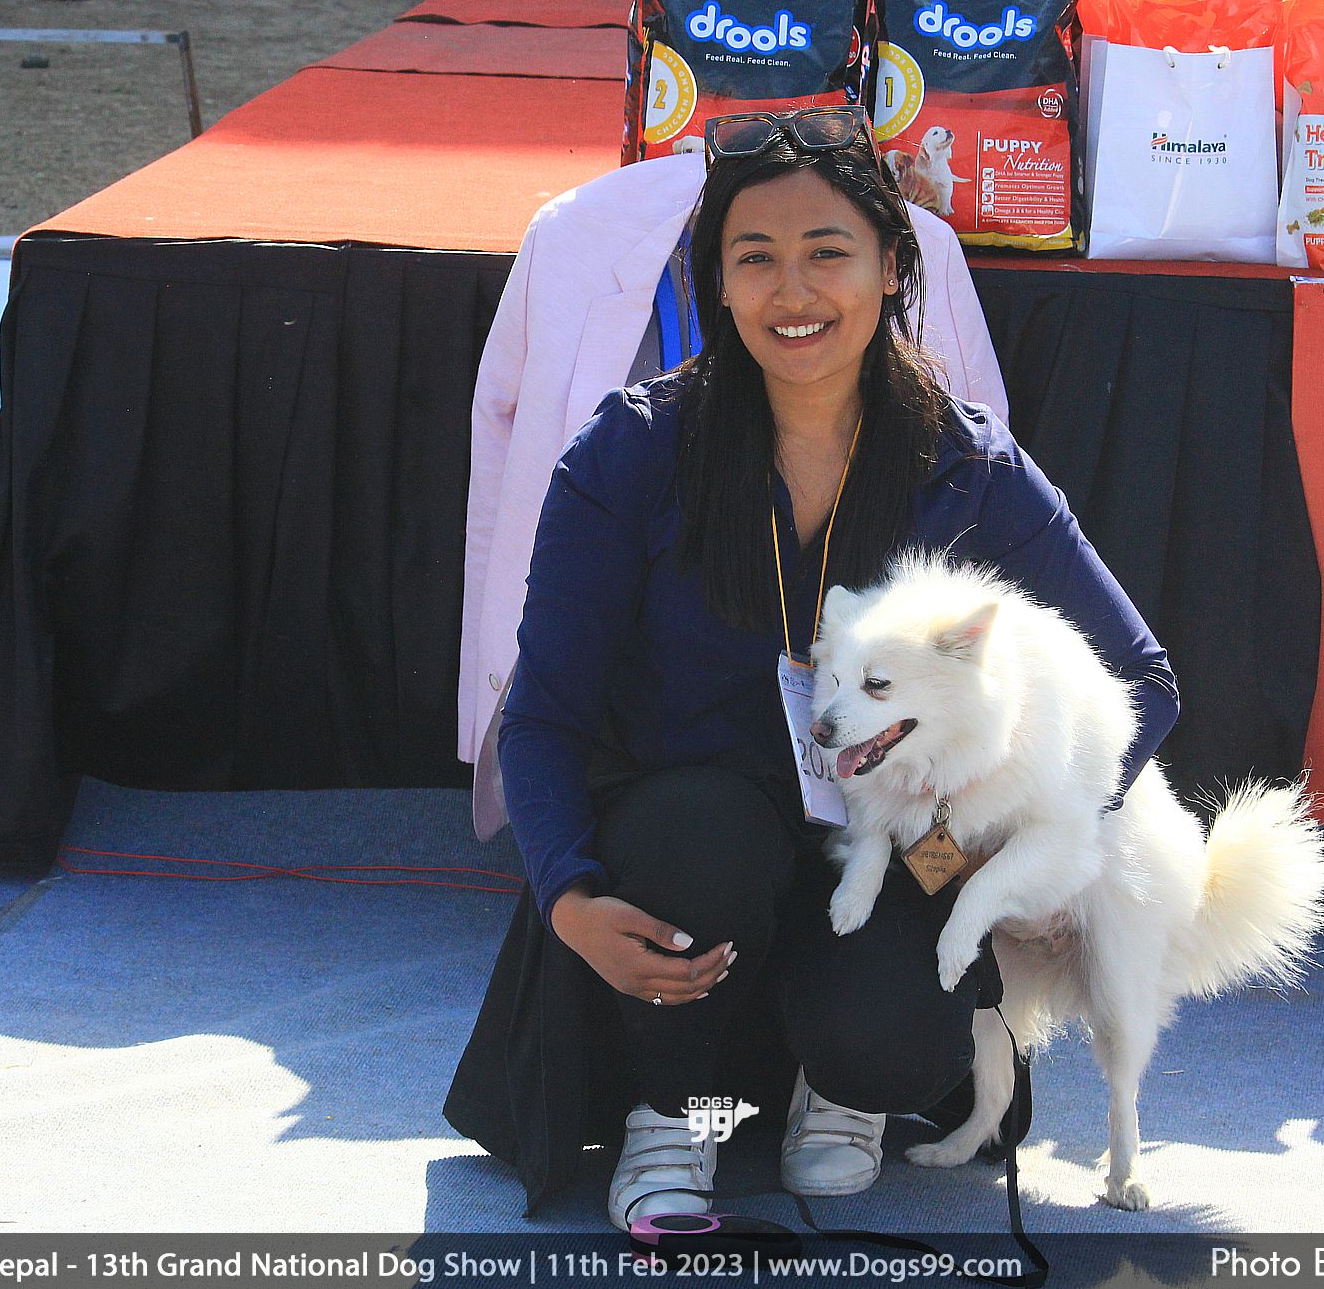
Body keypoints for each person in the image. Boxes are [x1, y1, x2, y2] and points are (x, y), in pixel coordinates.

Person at [442, 106, 1179, 1231]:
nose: (793, 293)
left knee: (893, 1033)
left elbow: (1141, 681)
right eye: (755, 259)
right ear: (715, 284)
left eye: (827, 253)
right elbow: (541, 716)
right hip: (692, 851)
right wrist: (569, 896)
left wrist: (1007, 841)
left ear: (892, 267)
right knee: (696, 829)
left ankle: (838, 1088)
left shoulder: (966, 465)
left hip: (893, 847)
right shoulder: (630, 452)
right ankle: (667, 1110)